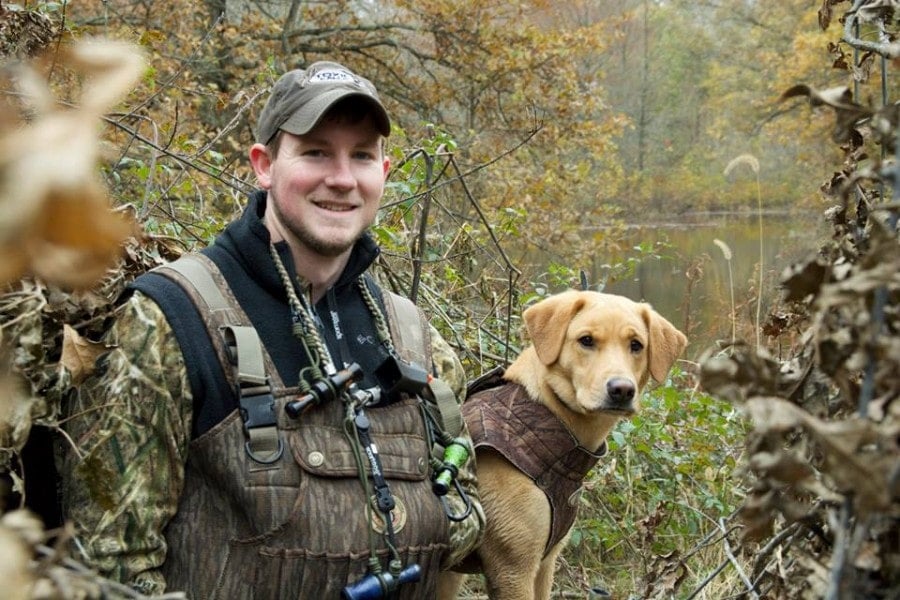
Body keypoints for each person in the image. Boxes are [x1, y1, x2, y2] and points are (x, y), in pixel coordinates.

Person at [60, 61, 484, 598]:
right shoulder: (170, 319)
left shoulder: (415, 337)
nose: (342, 177)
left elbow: (464, 526)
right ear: (264, 165)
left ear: (385, 171)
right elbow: (108, 569)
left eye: (361, 155)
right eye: (315, 152)